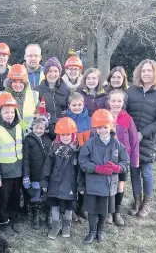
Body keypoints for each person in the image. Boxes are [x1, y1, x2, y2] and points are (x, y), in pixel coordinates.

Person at [126, 59, 156, 218]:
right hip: (131, 139)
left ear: (154, 73)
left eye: (149, 71)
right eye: (143, 71)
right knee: (134, 172)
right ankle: (136, 201)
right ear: (139, 72)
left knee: (147, 172)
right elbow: (124, 113)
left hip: (148, 140)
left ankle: (147, 203)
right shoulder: (131, 91)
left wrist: (143, 133)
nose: (146, 73)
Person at [79, 109, 129, 244]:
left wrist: (118, 168)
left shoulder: (117, 145)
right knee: (92, 211)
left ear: (111, 126)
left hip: (109, 185)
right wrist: (96, 168)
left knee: (104, 211)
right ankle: (92, 231)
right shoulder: (89, 143)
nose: (102, 130)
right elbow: (82, 162)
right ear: (95, 128)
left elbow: (126, 162)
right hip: (93, 184)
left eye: (105, 127)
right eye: (99, 128)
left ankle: (100, 231)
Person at [0, 93, 23, 236]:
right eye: (5, 112)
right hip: (4, 173)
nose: (9, 115)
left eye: (12, 112)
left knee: (15, 199)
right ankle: (3, 221)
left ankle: (13, 220)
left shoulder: (19, 128)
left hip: (17, 172)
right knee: (2, 199)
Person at [41, 117, 79, 239]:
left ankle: (67, 225)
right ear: (58, 136)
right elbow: (47, 167)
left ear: (73, 135)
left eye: (68, 134)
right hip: (55, 183)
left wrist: (80, 185)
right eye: (62, 135)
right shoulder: (54, 150)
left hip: (70, 184)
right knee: (54, 204)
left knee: (69, 205)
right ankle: (56, 226)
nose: (65, 137)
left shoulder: (77, 151)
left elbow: (80, 170)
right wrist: (45, 182)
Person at [106, 90, 139, 226]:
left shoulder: (127, 118)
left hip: (122, 158)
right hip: (107, 157)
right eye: (113, 101)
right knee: (108, 184)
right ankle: (109, 211)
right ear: (109, 102)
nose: (116, 104)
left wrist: (134, 160)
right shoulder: (104, 115)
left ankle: (117, 211)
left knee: (120, 184)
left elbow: (134, 140)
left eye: (119, 101)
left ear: (123, 102)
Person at [65, 92, 92, 221]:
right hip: (71, 156)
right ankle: (72, 207)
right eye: (74, 105)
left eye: (79, 105)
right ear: (69, 105)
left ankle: (83, 207)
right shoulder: (65, 120)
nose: (77, 107)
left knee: (84, 181)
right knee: (72, 182)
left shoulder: (89, 120)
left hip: (86, 156)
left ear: (83, 104)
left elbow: (93, 138)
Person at [23, 117, 52, 230]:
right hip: (34, 173)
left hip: (46, 173)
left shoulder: (48, 139)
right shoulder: (28, 139)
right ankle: (35, 215)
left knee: (48, 193)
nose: (39, 130)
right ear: (32, 127)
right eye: (36, 127)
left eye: (41, 128)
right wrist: (26, 176)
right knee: (35, 194)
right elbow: (25, 159)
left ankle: (48, 215)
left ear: (45, 128)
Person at [0, 64, 40, 135]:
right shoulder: (2, 96)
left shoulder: (34, 96)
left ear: (25, 82)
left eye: (21, 81)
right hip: (11, 135)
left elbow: (40, 116)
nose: (18, 85)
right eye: (14, 81)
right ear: (10, 82)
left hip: (31, 136)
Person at [35, 57, 71, 139]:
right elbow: (35, 111)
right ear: (45, 73)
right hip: (45, 131)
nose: (52, 74)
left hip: (62, 130)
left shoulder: (66, 90)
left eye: (55, 71)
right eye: (50, 71)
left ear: (59, 73)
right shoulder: (37, 90)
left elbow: (69, 109)